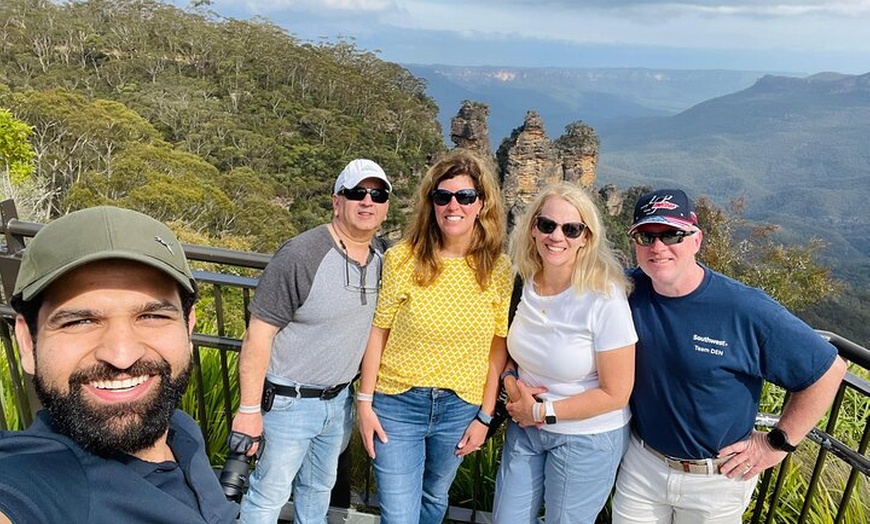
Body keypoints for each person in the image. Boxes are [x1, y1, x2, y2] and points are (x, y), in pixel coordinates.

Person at [612, 188, 847, 523]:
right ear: (635, 243)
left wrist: (776, 444)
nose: (658, 247)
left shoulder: (744, 309)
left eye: (672, 234)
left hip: (717, 481)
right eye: (646, 236)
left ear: (696, 239)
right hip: (642, 465)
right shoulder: (625, 291)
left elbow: (829, 370)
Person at [0, 206, 239, 524]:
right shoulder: (36, 482)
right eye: (81, 321)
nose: (122, 355)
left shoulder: (181, 430)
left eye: (152, 316)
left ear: (188, 328)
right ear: (28, 343)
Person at [355, 148, 512, 524]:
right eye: (442, 197)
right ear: (431, 203)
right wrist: (364, 403)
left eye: (465, 197)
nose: (452, 206)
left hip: (460, 407)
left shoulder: (498, 268)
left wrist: (485, 417)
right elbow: (379, 331)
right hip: (396, 404)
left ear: (481, 204)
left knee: (433, 499)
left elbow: (497, 348)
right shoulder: (402, 258)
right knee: (398, 513)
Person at [234, 159, 391, 524]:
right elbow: (259, 334)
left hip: (338, 402)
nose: (367, 201)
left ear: (385, 207)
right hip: (289, 402)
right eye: (357, 193)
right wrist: (248, 410)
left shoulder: (384, 257)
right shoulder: (302, 255)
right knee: (268, 495)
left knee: (318, 491)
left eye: (378, 194)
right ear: (337, 201)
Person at [492, 182, 638, 523]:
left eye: (571, 229)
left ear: (586, 237)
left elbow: (617, 393)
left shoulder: (604, 297)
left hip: (586, 438)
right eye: (547, 225)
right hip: (525, 428)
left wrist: (542, 413)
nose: (557, 236)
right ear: (532, 228)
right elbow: (511, 353)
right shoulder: (522, 281)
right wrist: (512, 384)